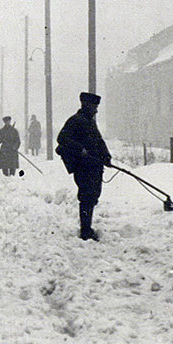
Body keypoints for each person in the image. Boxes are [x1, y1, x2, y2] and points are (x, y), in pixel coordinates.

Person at [56, 92, 112, 241]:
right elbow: (62, 138)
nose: (96, 110)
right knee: (87, 197)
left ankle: (87, 227)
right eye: (94, 107)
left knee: (93, 196)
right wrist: (80, 149)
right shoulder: (75, 121)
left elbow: (99, 141)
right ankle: (85, 230)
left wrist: (106, 156)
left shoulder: (90, 121)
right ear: (86, 105)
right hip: (83, 167)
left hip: (95, 166)